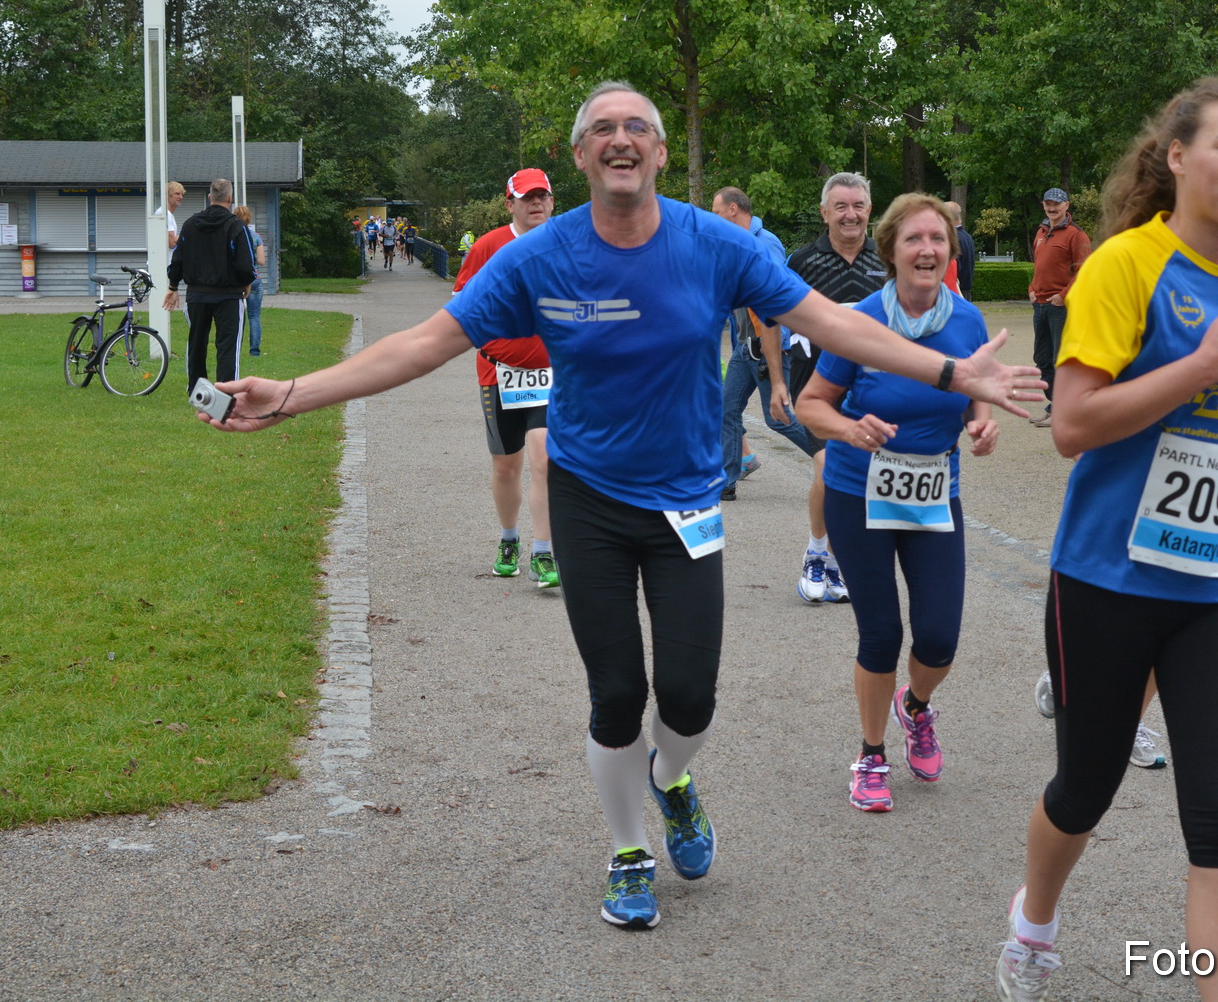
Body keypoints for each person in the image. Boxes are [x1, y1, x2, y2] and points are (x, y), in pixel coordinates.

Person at [197, 81, 1042, 933]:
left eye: (639, 126)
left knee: (689, 699)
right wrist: (292, 394)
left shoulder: (715, 245)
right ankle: (628, 848)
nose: (622, 138)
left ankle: (671, 779)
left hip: (685, 502)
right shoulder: (538, 258)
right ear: (579, 156)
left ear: (662, 153)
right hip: (588, 499)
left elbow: (830, 321)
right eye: (602, 128)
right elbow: (425, 344)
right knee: (614, 694)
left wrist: (952, 370)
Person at [995, 76, 1218, 1002]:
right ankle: (1036, 918)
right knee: (1085, 787)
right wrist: (1202, 366)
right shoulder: (1125, 266)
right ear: (1177, 157)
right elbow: (1073, 422)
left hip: (1215, 584)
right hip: (1106, 577)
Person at [794, 193, 996, 812]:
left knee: (938, 638)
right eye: (915, 239)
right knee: (880, 633)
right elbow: (811, 405)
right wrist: (848, 428)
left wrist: (983, 421)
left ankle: (916, 707)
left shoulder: (967, 323)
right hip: (859, 492)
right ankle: (872, 754)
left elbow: (973, 395)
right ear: (892, 251)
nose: (928, 249)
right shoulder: (857, 322)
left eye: (939, 238)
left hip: (935, 494)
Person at [452, 169, 561, 588]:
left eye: (542, 196)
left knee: (545, 460)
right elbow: (462, 303)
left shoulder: (568, 244)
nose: (536, 203)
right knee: (506, 467)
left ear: (552, 201)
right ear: (509, 203)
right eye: (527, 197)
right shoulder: (489, 246)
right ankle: (509, 539)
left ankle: (544, 552)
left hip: (553, 376)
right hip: (501, 376)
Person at [786, 172, 888, 603]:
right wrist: (774, 381)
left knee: (861, 476)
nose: (851, 214)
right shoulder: (802, 261)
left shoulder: (887, 259)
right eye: (841, 206)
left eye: (858, 205)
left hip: (873, 386)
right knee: (828, 467)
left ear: (870, 210)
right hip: (815, 386)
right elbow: (770, 317)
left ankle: (837, 562)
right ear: (824, 212)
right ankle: (816, 552)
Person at [713, 187, 811, 501]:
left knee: (778, 420)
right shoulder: (734, 243)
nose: (714, 218)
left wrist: (776, 348)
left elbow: (775, 298)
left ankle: (835, 460)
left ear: (731, 209)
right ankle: (727, 481)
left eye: (716, 212)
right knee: (727, 411)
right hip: (745, 347)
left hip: (766, 346)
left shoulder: (765, 243)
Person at [163, 178, 256, 394]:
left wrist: (173, 286)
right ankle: (226, 390)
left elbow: (178, 258)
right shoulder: (236, 226)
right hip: (229, 296)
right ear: (230, 199)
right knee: (227, 345)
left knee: (197, 342)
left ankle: (197, 389)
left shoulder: (190, 224)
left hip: (197, 294)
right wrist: (247, 282)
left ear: (209, 198)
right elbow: (246, 263)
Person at [1027, 188, 1092, 428]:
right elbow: (1038, 267)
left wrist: (1064, 296)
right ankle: (1057, 405)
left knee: (1060, 361)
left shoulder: (1076, 235)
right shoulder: (1042, 231)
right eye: (1048, 203)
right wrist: (1031, 289)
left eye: (1057, 204)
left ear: (1067, 205)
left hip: (1060, 307)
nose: (1051, 208)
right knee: (1042, 360)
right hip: (1040, 306)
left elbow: (1085, 270)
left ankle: (1063, 412)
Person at [234, 204, 268, 358]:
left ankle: (236, 349)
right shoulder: (255, 236)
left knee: (236, 317)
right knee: (254, 316)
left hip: (237, 279)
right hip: (255, 278)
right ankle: (254, 351)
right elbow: (261, 261)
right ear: (249, 218)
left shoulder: (232, 235)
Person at [943, 200, 978, 300]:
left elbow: (953, 271)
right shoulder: (966, 236)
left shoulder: (953, 239)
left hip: (956, 293)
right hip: (965, 291)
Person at [159, 180, 186, 250]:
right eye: (177, 194)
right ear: (168, 195)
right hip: (160, 260)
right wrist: (187, 231)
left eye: (182, 194)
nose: (181, 197)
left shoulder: (168, 214)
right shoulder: (165, 214)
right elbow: (172, 243)